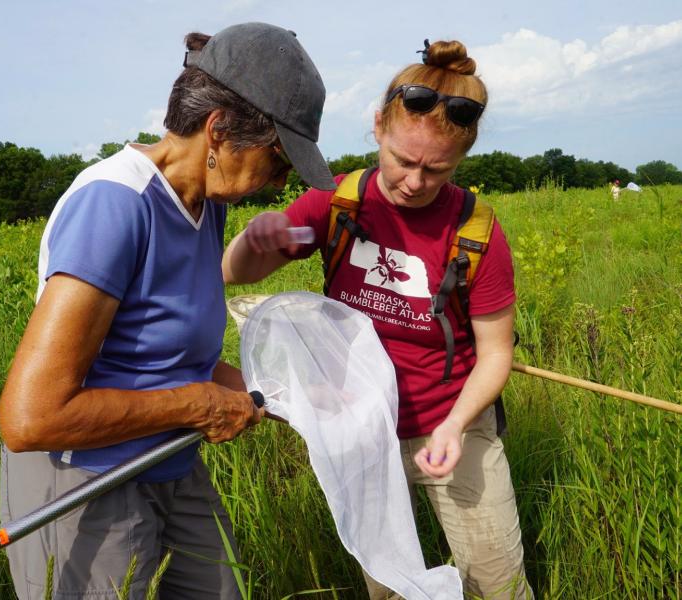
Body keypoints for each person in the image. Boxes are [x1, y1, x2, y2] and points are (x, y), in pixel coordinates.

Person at [0, 22, 335, 600]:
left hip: (168, 459)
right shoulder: (115, 206)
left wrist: (298, 398)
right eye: (278, 160)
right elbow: (31, 418)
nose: (281, 183)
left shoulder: (207, 204)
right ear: (219, 131)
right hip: (86, 477)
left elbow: (177, 359)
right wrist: (198, 404)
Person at [223, 39, 533, 599]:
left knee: (496, 581)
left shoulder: (478, 232)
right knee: (387, 580)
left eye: (436, 171)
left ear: (460, 161)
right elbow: (238, 271)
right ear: (377, 128)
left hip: (450, 422)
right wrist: (256, 236)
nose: (414, 182)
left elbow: (495, 354)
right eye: (403, 161)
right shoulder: (337, 203)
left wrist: (455, 426)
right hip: (360, 426)